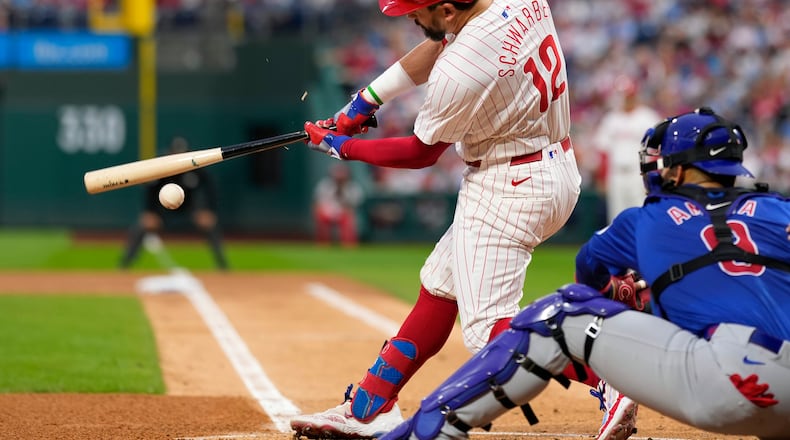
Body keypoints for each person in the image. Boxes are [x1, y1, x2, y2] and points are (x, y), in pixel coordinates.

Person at [376, 107, 790, 440]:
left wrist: (621, 291)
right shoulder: (780, 210)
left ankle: (429, 431)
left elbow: (587, 275)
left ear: (677, 171)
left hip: (727, 385)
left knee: (560, 313)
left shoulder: (644, 219)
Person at [291, 0, 582, 438]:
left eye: (416, 11)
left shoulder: (461, 67)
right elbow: (441, 44)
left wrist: (340, 146)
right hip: (552, 165)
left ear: (447, 9)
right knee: (440, 286)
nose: (409, 17)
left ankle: (612, 372)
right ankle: (371, 405)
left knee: (488, 333)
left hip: (508, 184)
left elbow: (420, 152)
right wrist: (366, 101)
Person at [119, 136, 229, 271]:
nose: (179, 156)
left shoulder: (194, 167)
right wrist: (149, 212)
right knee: (141, 227)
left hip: (188, 213)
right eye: (176, 153)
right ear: (169, 153)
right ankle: (124, 267)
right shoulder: (160, 168)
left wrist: (208, 210)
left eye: (182, 153)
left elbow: (209, 186)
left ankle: (223, 268)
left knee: (210, 225)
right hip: (162, 214)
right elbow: (149, 190)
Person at [592, 75, 661, 224]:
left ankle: (641, 246)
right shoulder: (610, 119)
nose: (623, 99)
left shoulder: (647, 117)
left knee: (641, 215)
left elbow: (657, 150)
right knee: (616, 218)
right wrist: (602, 177)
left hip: (639, 174)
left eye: (626, 95)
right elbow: (603, 151)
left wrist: (654, 176)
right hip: (616, 174)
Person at [313, 163, 365, 247]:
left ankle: (348, 246)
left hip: (344, 213)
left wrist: (342, 194)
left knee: (349, 217)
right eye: (337, 173)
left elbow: (355, 204)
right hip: (327, 213)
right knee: (320, 215)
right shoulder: (325, 185)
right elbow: (318, 203)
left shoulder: (353, 187)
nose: (339, 176)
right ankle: (323, 245)